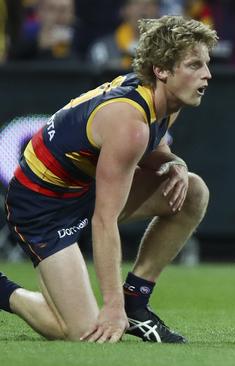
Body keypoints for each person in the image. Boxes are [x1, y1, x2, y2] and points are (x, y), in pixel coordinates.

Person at [1, 15, 217, 343]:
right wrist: (111, 307)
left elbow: (153, 147)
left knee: (193, 191)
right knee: (84, 332)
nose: (207, 74)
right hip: (42, 206)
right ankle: (5, 291)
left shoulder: (166, 99)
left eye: (207, 64)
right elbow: (105, 220)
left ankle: (137, 301)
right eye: (194, 65)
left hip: (81, 190)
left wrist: (175, 162)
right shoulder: (128, 123)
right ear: (162, 69)